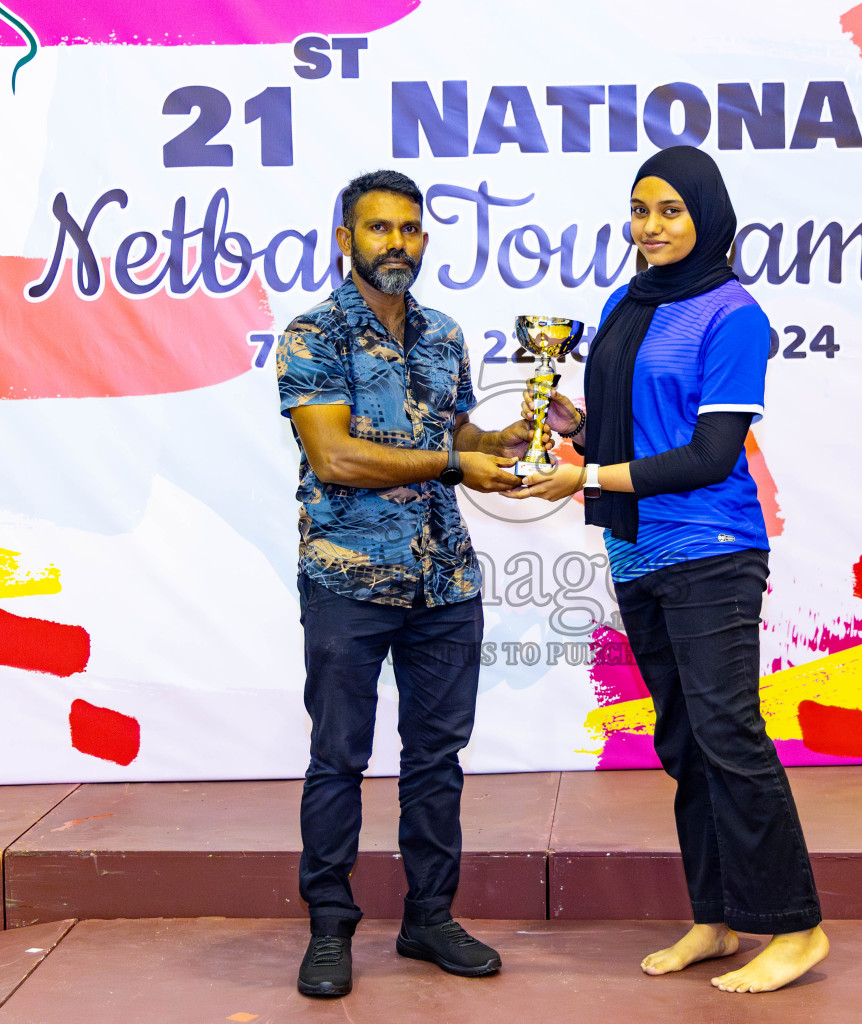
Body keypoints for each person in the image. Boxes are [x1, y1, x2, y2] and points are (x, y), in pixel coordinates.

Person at [512, 146, 830, 994]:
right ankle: (715, 918)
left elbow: (709, 453)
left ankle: (797, 928)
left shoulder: (733, 315)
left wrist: (588, 476)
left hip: (711, 552)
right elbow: (627, 427)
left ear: (707, 217)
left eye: (670, 212)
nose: (650, 227)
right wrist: (572, 423)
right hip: (635, 549)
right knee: (685, 743)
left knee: (730, 736)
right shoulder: (624, 302)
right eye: (639, 209)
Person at [277, 169, 532, 998]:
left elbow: (457, 431)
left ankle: (429, 918)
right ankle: (329, 927)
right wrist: (459, 462)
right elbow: (336, 456)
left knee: (437, 760)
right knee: (337, 758)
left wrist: (506, 437)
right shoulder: (313, 336)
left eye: (411, 229)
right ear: (345, 239)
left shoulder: (445, 335)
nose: (398, 244)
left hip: (444, 582)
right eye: (379, 229)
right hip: (349, 582)